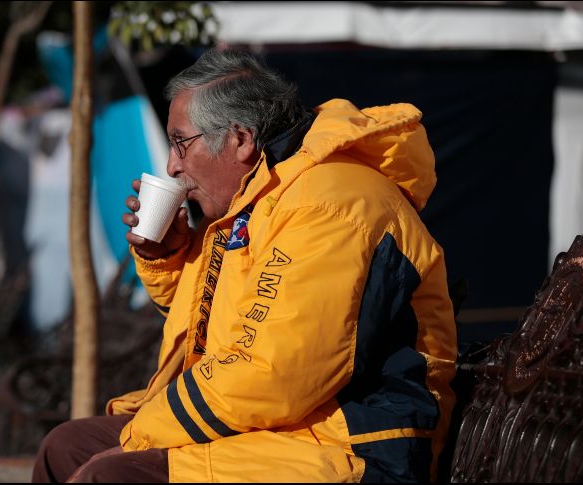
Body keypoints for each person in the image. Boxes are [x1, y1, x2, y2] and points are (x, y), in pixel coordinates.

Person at [33, 48, 457, 483]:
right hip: (277, 430)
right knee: (64, 448)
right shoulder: (263, 196)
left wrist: (142, 434)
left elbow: (277, 374)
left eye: (180, 142)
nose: (171, 165)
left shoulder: (330, 203)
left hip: (353, 447)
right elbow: (215, 328)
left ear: (240, 139)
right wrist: (169, 257)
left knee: (108, 475)